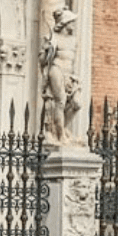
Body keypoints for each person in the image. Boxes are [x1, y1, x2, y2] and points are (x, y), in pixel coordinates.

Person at [40, 8, 81, 145]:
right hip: (56, 69)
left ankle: (62, 127)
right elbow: (43, 61)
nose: (74, 25)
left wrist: (73, 78)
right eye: (72, 22)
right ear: (65, 22)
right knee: (61, 101)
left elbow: (74, 61)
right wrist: (47, 50)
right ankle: (59, 135)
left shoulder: (74, 40)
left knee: (76, 103)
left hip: (69, 73)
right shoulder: (53, 38)